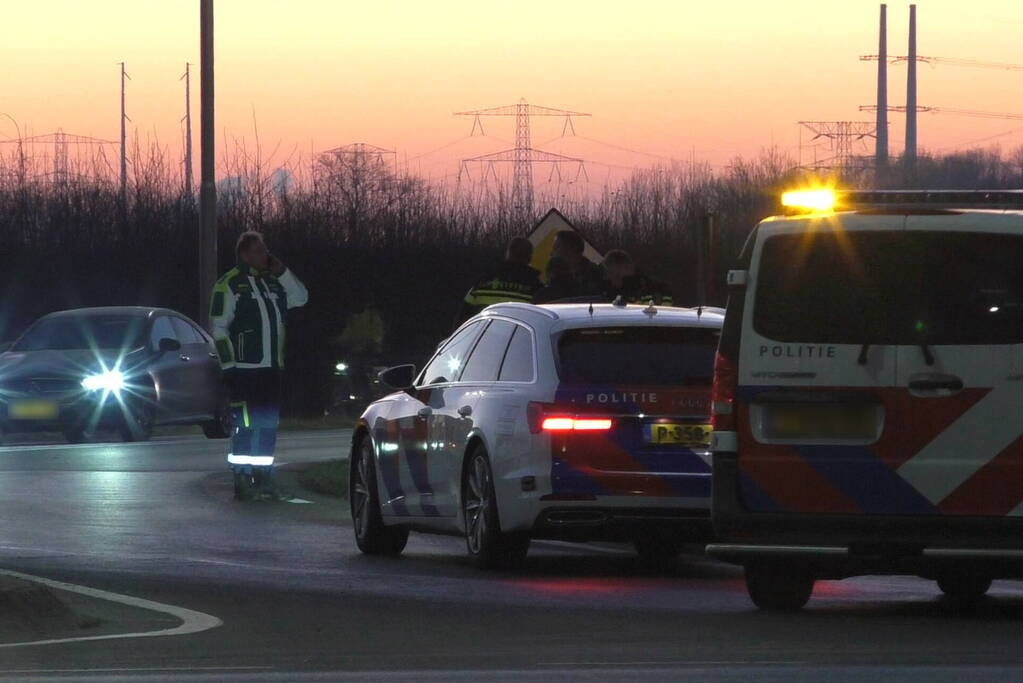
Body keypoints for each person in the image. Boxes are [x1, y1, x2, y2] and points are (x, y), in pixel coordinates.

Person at [210, 231, 309, 500]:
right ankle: (242, 480)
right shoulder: (229, 284)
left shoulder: (272, 283)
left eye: (264, 250)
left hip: (271, 368)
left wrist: (282, 271)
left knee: (267, 425)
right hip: (244, 370)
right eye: (256, 251)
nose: (262, 255)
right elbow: (218, 329)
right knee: (244, 425)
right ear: (244, 254)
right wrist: (229, 366)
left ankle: (264, 479)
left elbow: (301, 297)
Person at [456, 237, 542, 325]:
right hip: (520, 337)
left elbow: (463, 316)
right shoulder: (536, 287)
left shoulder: (484, 280)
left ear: (508, 253)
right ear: (530, 257)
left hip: (485, 334)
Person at [602, 249, 674, 306]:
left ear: (625, 268)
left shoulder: (658, 290)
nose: (609, 278)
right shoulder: (611, 293)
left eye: (611, 273)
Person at [551, 230, 604, 296]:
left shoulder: (595, 275)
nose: (552, 253)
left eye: (556, 248)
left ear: (571, 249)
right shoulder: (555, 273)